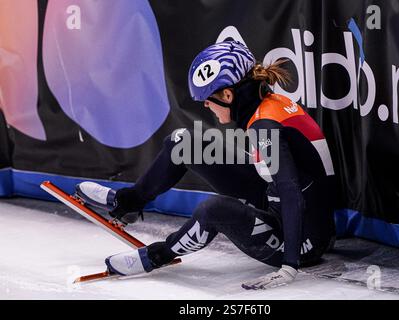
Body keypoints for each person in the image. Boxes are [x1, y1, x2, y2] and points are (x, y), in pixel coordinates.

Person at [76, 41, 336, 290]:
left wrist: (289, 265)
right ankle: (128, 203)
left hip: (304, 240)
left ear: (228, 93)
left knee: (213, 210)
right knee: (183, 143)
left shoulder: (264, 126)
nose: (205, 105)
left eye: (208, 99)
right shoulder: (267, 106)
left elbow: (291, 192)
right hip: (283, 204)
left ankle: (158, 255)